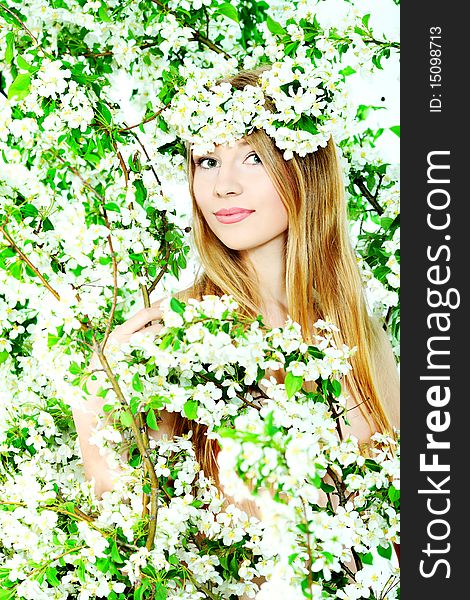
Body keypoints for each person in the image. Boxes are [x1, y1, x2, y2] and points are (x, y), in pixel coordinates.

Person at [72, 68, 400, 510]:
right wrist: (97, 397)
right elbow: (133, 522)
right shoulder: (178, 336)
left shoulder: (360, 333)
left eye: (253, 158)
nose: (223, 186)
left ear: (306, 168)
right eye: (207, 161)